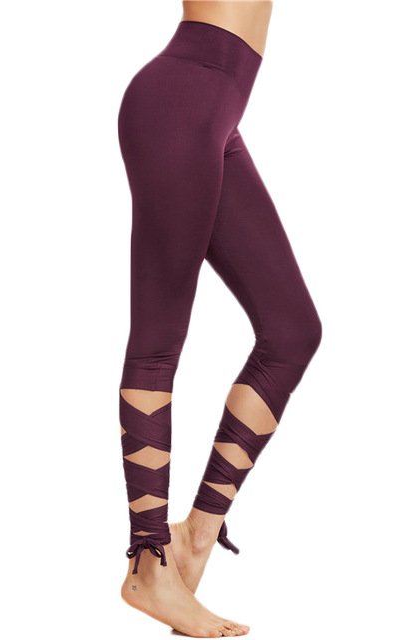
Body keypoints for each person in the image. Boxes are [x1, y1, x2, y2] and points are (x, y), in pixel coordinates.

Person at [117, 1, 322, 636]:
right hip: (179, 104)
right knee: (157, 343)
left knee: (292, 331)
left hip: (213, 114)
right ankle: (148, 562)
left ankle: (195, 537)